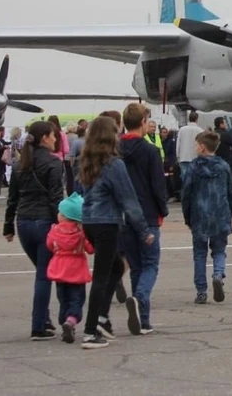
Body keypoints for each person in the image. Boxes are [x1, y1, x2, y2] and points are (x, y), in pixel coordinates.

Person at [79, 116, 153, 350]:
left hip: (89, 220)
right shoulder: (113, 164)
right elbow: (128, 199)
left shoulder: (87, 162)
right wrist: (143, 229)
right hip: (106, 222)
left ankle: (101, 318)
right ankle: (91, 330)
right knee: (101, 275)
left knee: (116, 267)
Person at [3, 121, 65, 341]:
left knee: (42, 271)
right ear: (44, 138)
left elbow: (13, 198)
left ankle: (44, 319)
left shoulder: (21, 163)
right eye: (53, 135)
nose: (56, 139)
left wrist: (8, 225)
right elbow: (56, 198)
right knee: (44, 275)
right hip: (44, 222)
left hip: (24, 223)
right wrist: (63, 225)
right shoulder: (53, 163)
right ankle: (38, 325)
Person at [118, 104, 168, 336]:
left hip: (123, 215)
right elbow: (158, 184)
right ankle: (139, 300)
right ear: (142, 122)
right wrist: (162, 209)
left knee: (136, 265)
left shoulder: (116, 150)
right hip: (146, 212)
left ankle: (143, 320)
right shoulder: (149, 151)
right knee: (150, 264)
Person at [182, 130, 232, 305]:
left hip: (199, 214)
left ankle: (201, 291)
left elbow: (187, 194)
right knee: (219, 250)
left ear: (203, 147)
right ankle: (218, 274)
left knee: (199, 253)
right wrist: (230, 213)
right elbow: (230, 193)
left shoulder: (193, 167)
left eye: (197, 145)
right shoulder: (224, 166)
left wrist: (187, 216)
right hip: (220, 213)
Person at [46, 193, 94, 344]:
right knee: (77, 299)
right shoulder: (81, 232)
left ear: (65, 216)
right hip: (76, 269)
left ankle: (64, 322)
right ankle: (71, 320)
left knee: (63, 299)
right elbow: (91, 249)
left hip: (60, 268)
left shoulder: (54, 230)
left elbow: (49, 244)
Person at [176, 111, 201, 184]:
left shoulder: (182, 129)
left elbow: (178, 144)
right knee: (196, 181)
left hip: (183, 158)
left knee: (185, 181)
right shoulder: (200, 130)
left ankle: (186, 194)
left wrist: (178, 156)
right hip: (195, 158)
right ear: (197, 119)